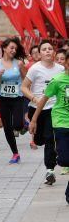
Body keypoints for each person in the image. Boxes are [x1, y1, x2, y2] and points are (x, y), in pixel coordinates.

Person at [29, 57, 69, 200]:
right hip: (61, 122)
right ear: (66, 63)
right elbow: (43, 100)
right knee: (64, 160)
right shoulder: (57, 80)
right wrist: (33, 120)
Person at [23, 39, 61, 184]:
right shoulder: (35, 69)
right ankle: (36, 134)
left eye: (50, 49)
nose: (47, 51)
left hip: (53, 107)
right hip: (36, 108)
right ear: (39, 53)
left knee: (49, 137)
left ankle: (49, 170)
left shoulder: (60, 69)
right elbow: (24, 87)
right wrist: (34, 98)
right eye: (44, 49)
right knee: (39, 140)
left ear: (54, 52)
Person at [0, 38, 27, 165]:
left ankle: (24, 123)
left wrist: (28, 93)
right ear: (4, 48)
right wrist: (0, 76)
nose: (13, 50)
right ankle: (15, 153)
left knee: (17, 125)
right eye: (11, 48)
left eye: (15, 49)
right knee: (7, 127)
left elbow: (27, 79)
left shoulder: (19, 63)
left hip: (17, 98)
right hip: (4, 98)